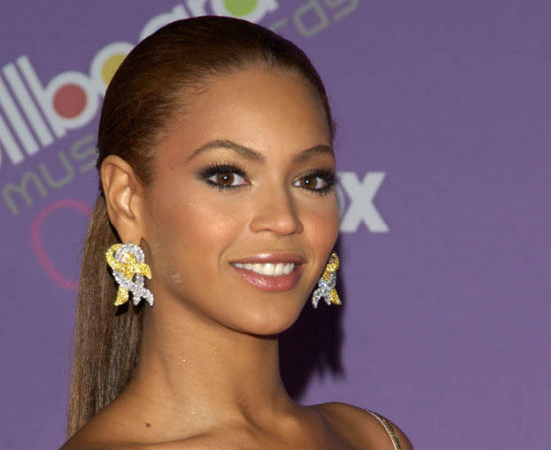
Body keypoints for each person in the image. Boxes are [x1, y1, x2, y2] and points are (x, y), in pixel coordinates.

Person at [61, 16, 412, 450]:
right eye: (227, 177)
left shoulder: (374, 439)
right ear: (127, 198)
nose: (283, 219)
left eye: (310, 180)